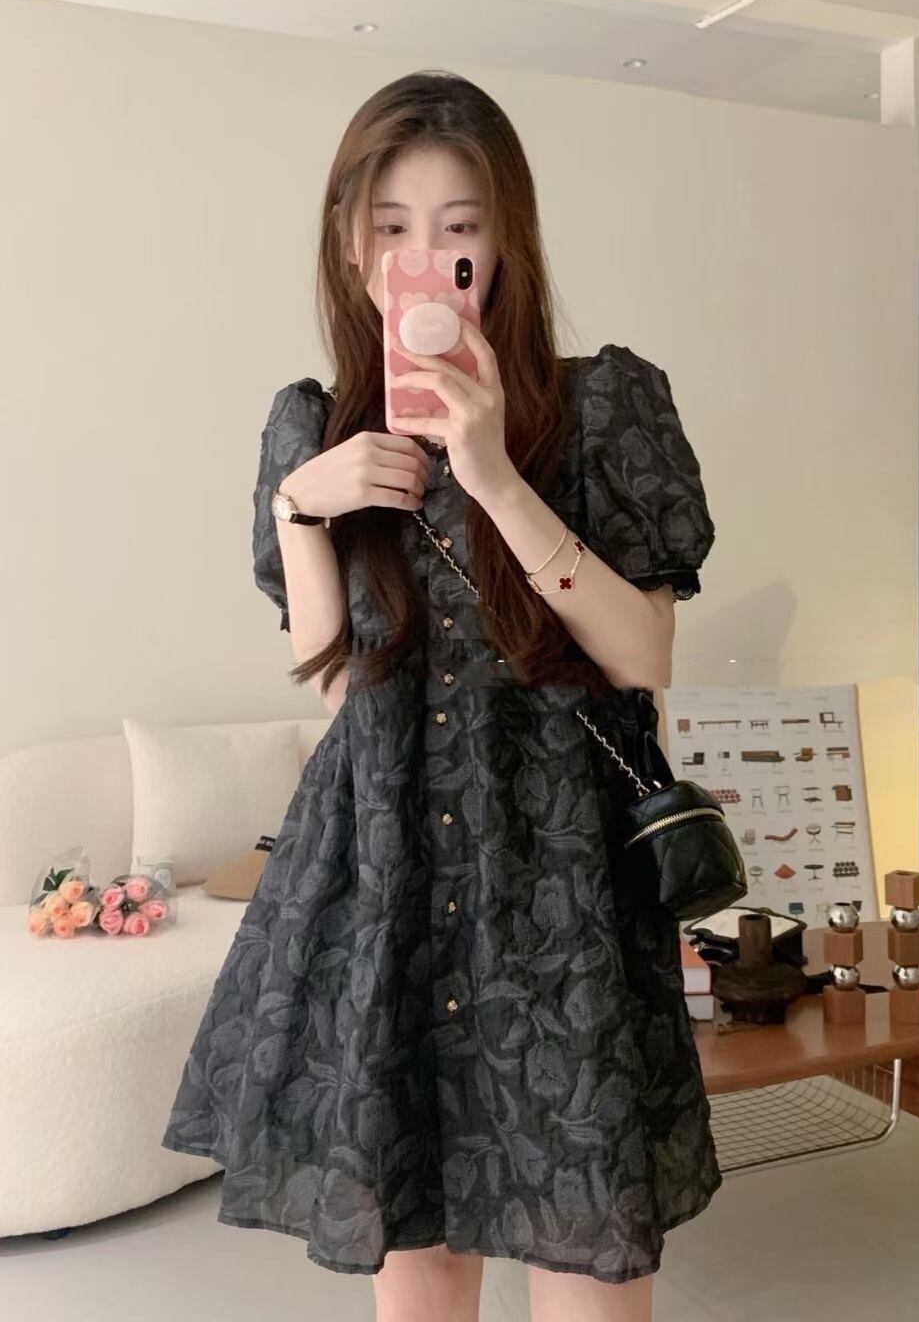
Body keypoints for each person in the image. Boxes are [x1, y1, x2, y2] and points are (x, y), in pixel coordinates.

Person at [161, 69, 720, 1322]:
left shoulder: (604, 404)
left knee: (587, 1261)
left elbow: (642, 654)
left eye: (459, 228)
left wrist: (492, 472)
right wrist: (301, 506)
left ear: (504, 241)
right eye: (392, 227)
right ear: (349, 246)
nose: (424, 258)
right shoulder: (312, 426)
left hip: (562, 883)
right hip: (387, 877)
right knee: (418, 1263)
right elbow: (339, 685)